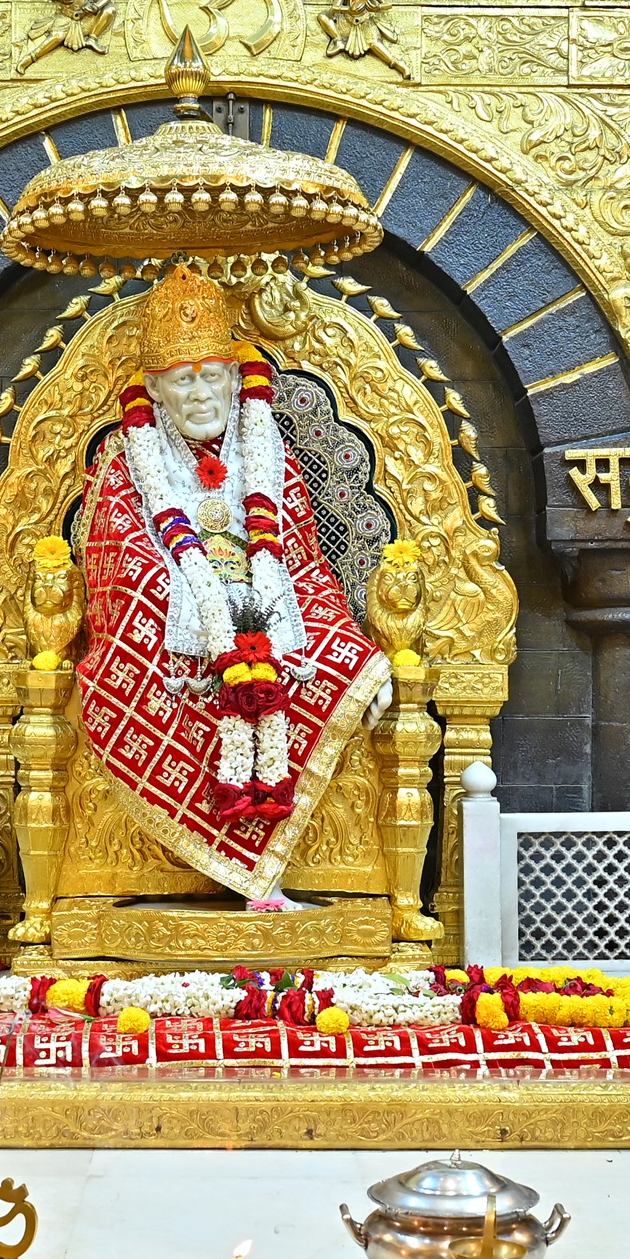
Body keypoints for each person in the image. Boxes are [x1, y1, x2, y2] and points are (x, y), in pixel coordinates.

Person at [71, 263, 387, 909]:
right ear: (154, 390)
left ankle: (290, 869)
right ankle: (214, 870)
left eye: (211, 376)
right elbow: (121, 564)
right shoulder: (125, 463)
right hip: (169, 624)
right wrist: (202, 608)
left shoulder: (268, 457)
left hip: (269, 607)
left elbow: (303, 562)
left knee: (341, 664)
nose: (200, 396)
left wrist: (362, 654)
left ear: (237, 380)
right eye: (182, 380)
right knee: (161, 673)